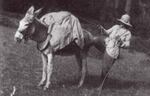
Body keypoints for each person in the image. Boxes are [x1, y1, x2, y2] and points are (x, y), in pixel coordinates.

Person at [100, 14, 132, 83]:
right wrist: (102, 29)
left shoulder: (127, 33)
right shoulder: (115, 27)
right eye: (121, 22)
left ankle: (103, 84)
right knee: (104, 67)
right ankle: (102, 82)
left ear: (127, 24)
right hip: (108, 47)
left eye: (124, 23)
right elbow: (107, 32)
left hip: (114, 52)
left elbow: (127, 45)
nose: (122, 24)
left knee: (107, 68)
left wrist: (120, 42)